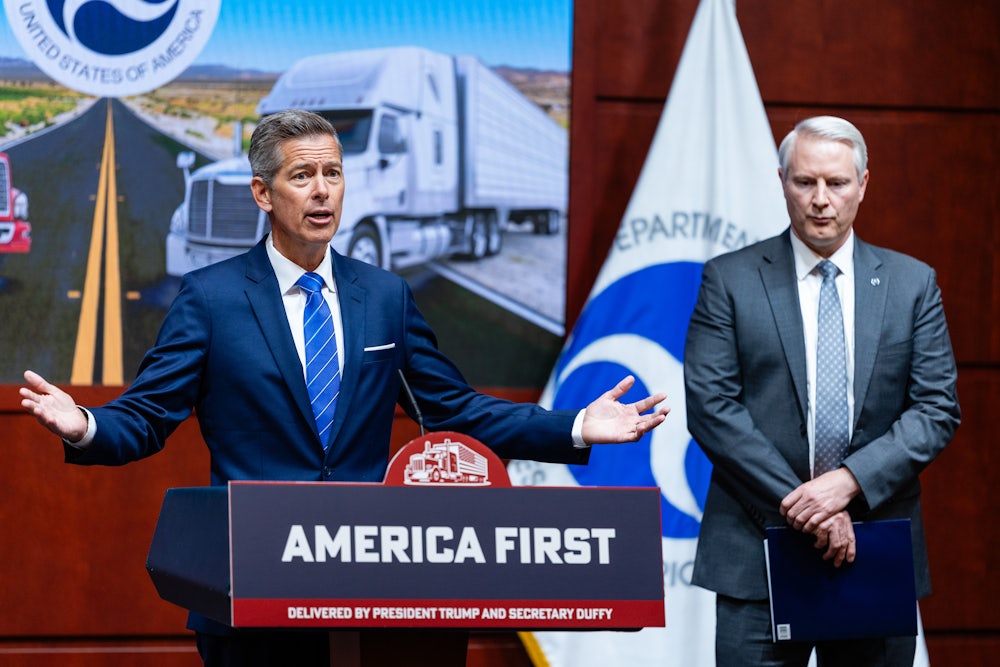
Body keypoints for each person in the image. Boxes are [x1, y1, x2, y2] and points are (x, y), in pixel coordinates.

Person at [19, 109, 670, 666]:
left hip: (375, 588)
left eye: (332, 173)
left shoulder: (384, 296)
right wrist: (86, 425)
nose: (322, 190)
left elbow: (454, 410)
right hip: (250, 591)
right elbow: (149, 414)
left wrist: (577, 425)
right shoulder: (211, 298)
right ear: (263, 193)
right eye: (301, 176)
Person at [683, 116, 960, 667]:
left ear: (863, 184)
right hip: (756, 547)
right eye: (804, 182)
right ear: (782, 180)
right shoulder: (729, 279)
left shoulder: (912, 284)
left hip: (871, 547)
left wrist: (847, 484)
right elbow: (712, 409)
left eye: (836, 183)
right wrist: (809, 506)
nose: (820, 200)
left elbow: (936, 409)